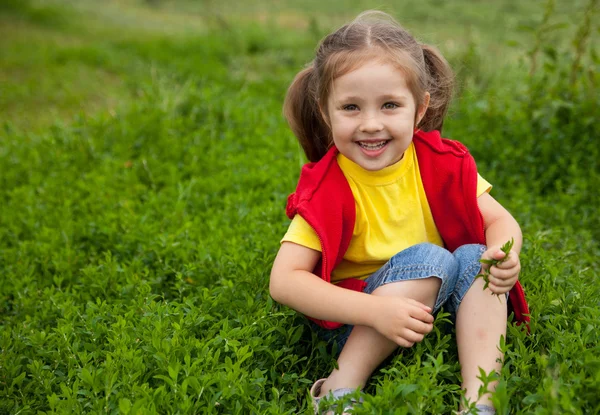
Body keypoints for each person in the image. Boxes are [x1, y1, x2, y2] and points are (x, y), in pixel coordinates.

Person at [269, 10, 529, 415]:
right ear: (325, 111)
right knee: (430, 256)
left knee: (478, 255)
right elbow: (284, 281)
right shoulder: (329, 188)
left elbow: (500, 220)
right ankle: (339, 389)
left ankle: (481, 401)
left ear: (420, 108)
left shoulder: (440, 162)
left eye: (390, 105)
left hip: (429, 306)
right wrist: (374, 310)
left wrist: (504, 251)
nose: (371, 124)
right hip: (358, 319)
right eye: (351, 108)